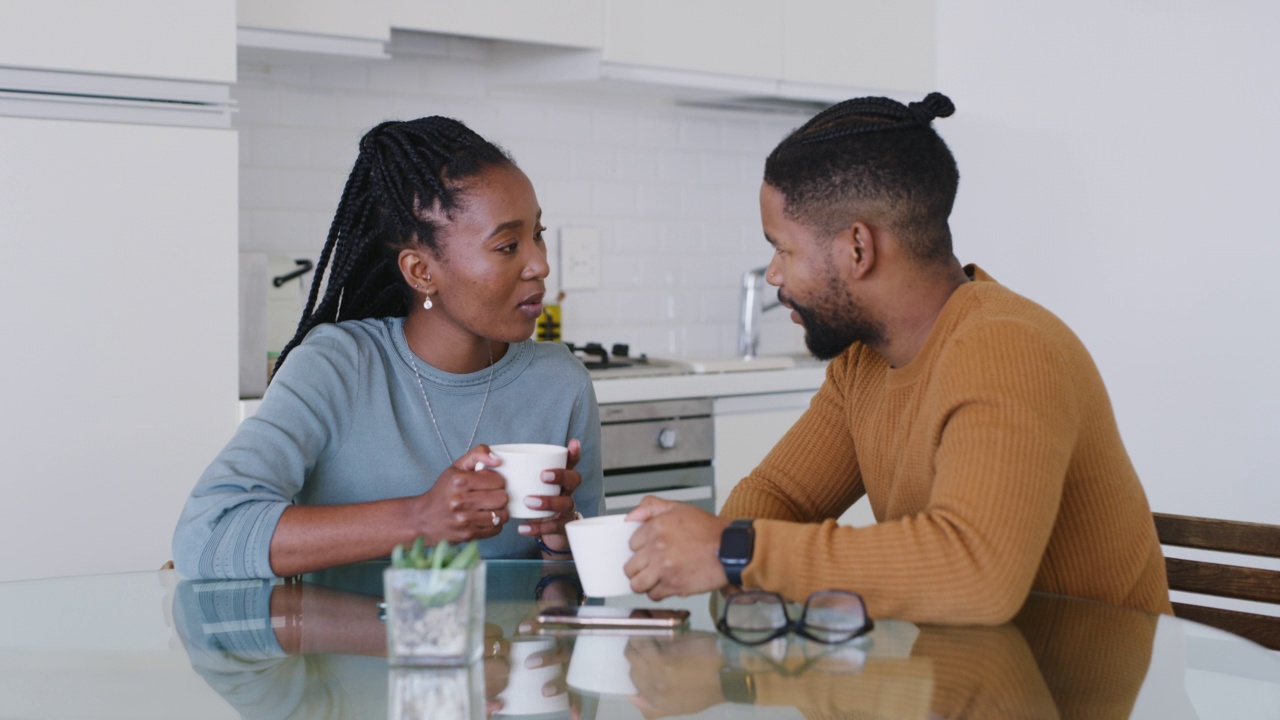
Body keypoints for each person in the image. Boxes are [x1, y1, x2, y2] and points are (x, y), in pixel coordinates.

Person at [623, 92, 1172, 624]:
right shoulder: (863, 363)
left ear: (857, 249)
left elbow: (976, 572)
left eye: (782, 247)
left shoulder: (1007, 346)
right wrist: (703, 546)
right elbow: (780, 495)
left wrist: (735, 551)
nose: (772, 275)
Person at [172, 117, 603, 580]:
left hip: (501, 650)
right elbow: (206, 534)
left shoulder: (561, 383)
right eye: (506, 246)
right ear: (420, 271)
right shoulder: (338, 367)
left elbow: (585, 594)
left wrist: (563, 541)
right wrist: (421, 518)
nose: (540, 263)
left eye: (537, 234)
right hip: (347, 649)